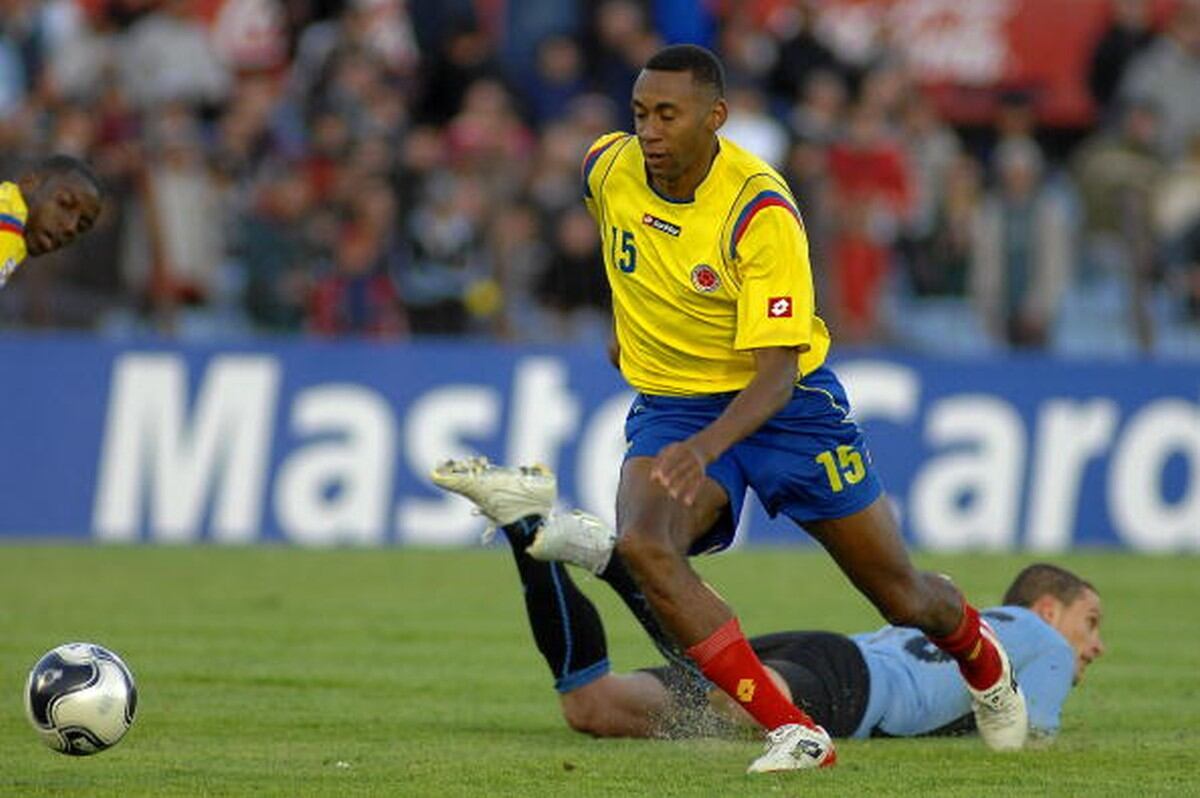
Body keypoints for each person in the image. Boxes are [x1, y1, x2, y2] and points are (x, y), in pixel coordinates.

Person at [508, 42, 1023, 773]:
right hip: (676, 407)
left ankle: (981, 657)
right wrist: (628, 331)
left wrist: (707, 448)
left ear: (715, 118)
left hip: (787, 415)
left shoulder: (761, 211)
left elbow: (776, 375)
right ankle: (795, 732)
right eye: (640, 113)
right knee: (648, 545)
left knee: (902, 596)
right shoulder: (606, 167)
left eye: (667, 115)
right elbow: (620, 243)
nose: (649, 131)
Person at [431, 460, 1103, 745]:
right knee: (734, 699)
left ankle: (525, 526)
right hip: (851, 687)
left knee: (593, 707)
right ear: (1048, 610)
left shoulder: (979, 626)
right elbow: (1026, 740)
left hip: (825, 653)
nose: (1094, 646)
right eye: (1089, 623)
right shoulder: (1040, 643)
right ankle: (610, 559)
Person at [0, 155, 104, 289]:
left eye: (81, 227)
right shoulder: (8, 227)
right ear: (28, 183)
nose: (70, 227)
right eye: (64, 203)